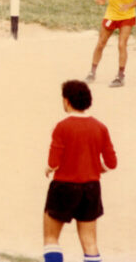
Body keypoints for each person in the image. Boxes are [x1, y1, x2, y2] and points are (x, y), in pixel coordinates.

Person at [43, 80, 117, 262]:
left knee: (51, 238)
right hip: (91, 188)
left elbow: (54, 161)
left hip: (64, 187)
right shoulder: (100, 127)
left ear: (67, 101)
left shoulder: (62, 126)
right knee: (90, 242)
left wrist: (49, 168)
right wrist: (96, 168)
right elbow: (111, 163)